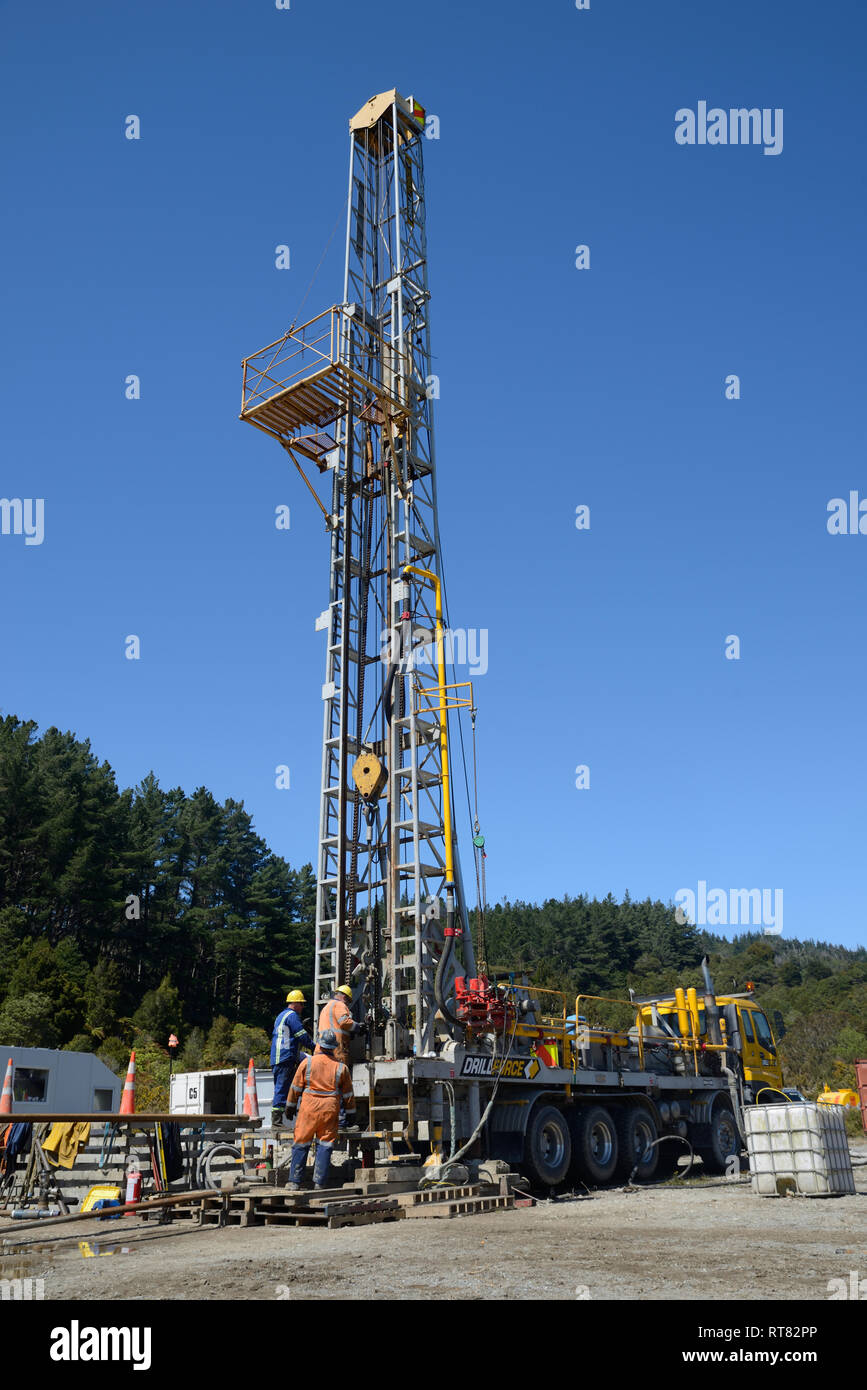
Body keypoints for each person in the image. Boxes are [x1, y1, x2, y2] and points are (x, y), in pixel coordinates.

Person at [285, 1029, 355, 1191]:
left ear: (320, 1045)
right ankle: (319, 1183)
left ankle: (295, 1182)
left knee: (301, 1142)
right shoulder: (341, 1068)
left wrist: (290, 1107)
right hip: (330, 1109)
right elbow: (348, 1095)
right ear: (333, 1047)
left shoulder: (307, 1063)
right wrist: (351, 1114)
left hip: (309, 1107)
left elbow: (295, 1088)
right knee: (325, 1144)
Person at [270, 990, 313, 1128]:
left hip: (278, 1057)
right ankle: (277, 1122)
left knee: (284, 1087)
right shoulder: (293, 1016)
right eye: (301, 1004)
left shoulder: (280, 1016)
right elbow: (302, 1035)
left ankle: (288, 1112)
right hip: (285, 1057)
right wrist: (315, 1047)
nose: (302, 1007)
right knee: (282, 1088)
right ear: (295, 1004)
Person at [317, 984, 365, 1065]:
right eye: (349, 1001)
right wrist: (358, 1027)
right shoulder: (340, 1005)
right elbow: (344, 1022)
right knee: (339, 1072)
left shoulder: (327, 1007)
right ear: (344, 997)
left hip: (322, 1047)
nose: (348, 1005)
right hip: (336, 1047)